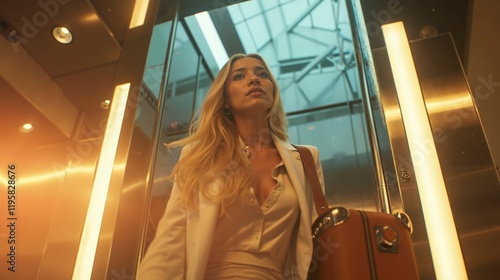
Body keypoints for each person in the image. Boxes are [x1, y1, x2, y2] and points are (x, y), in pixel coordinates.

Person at [137, 53, 325, 280]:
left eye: (262, 74)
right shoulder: (201, 156)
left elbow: (319, 239)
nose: (254, 79)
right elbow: (170, 240)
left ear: (273, 91)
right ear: (225, 99)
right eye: (239, 76)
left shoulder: (305, 159)